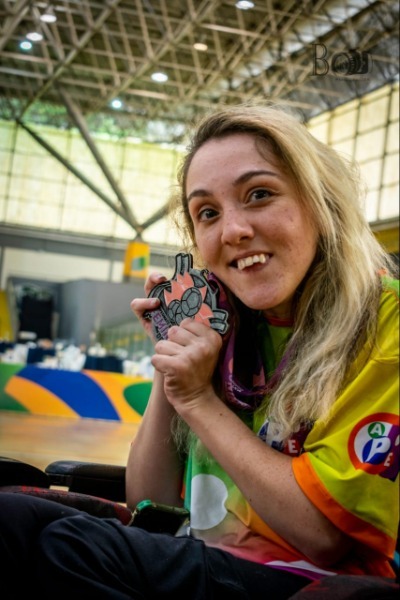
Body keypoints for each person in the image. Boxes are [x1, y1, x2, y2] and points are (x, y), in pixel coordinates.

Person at [0, 103, 398, 599]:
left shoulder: (383, 320)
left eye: (259, 194)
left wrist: (198, 399)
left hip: (310, 581)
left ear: (321, 204)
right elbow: (152, 503)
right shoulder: (222, 315)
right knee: (10, 511)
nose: (232, 230)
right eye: (207, 212)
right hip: (201, 553)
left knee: (71, 547)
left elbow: (321, 536)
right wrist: (172, 366)